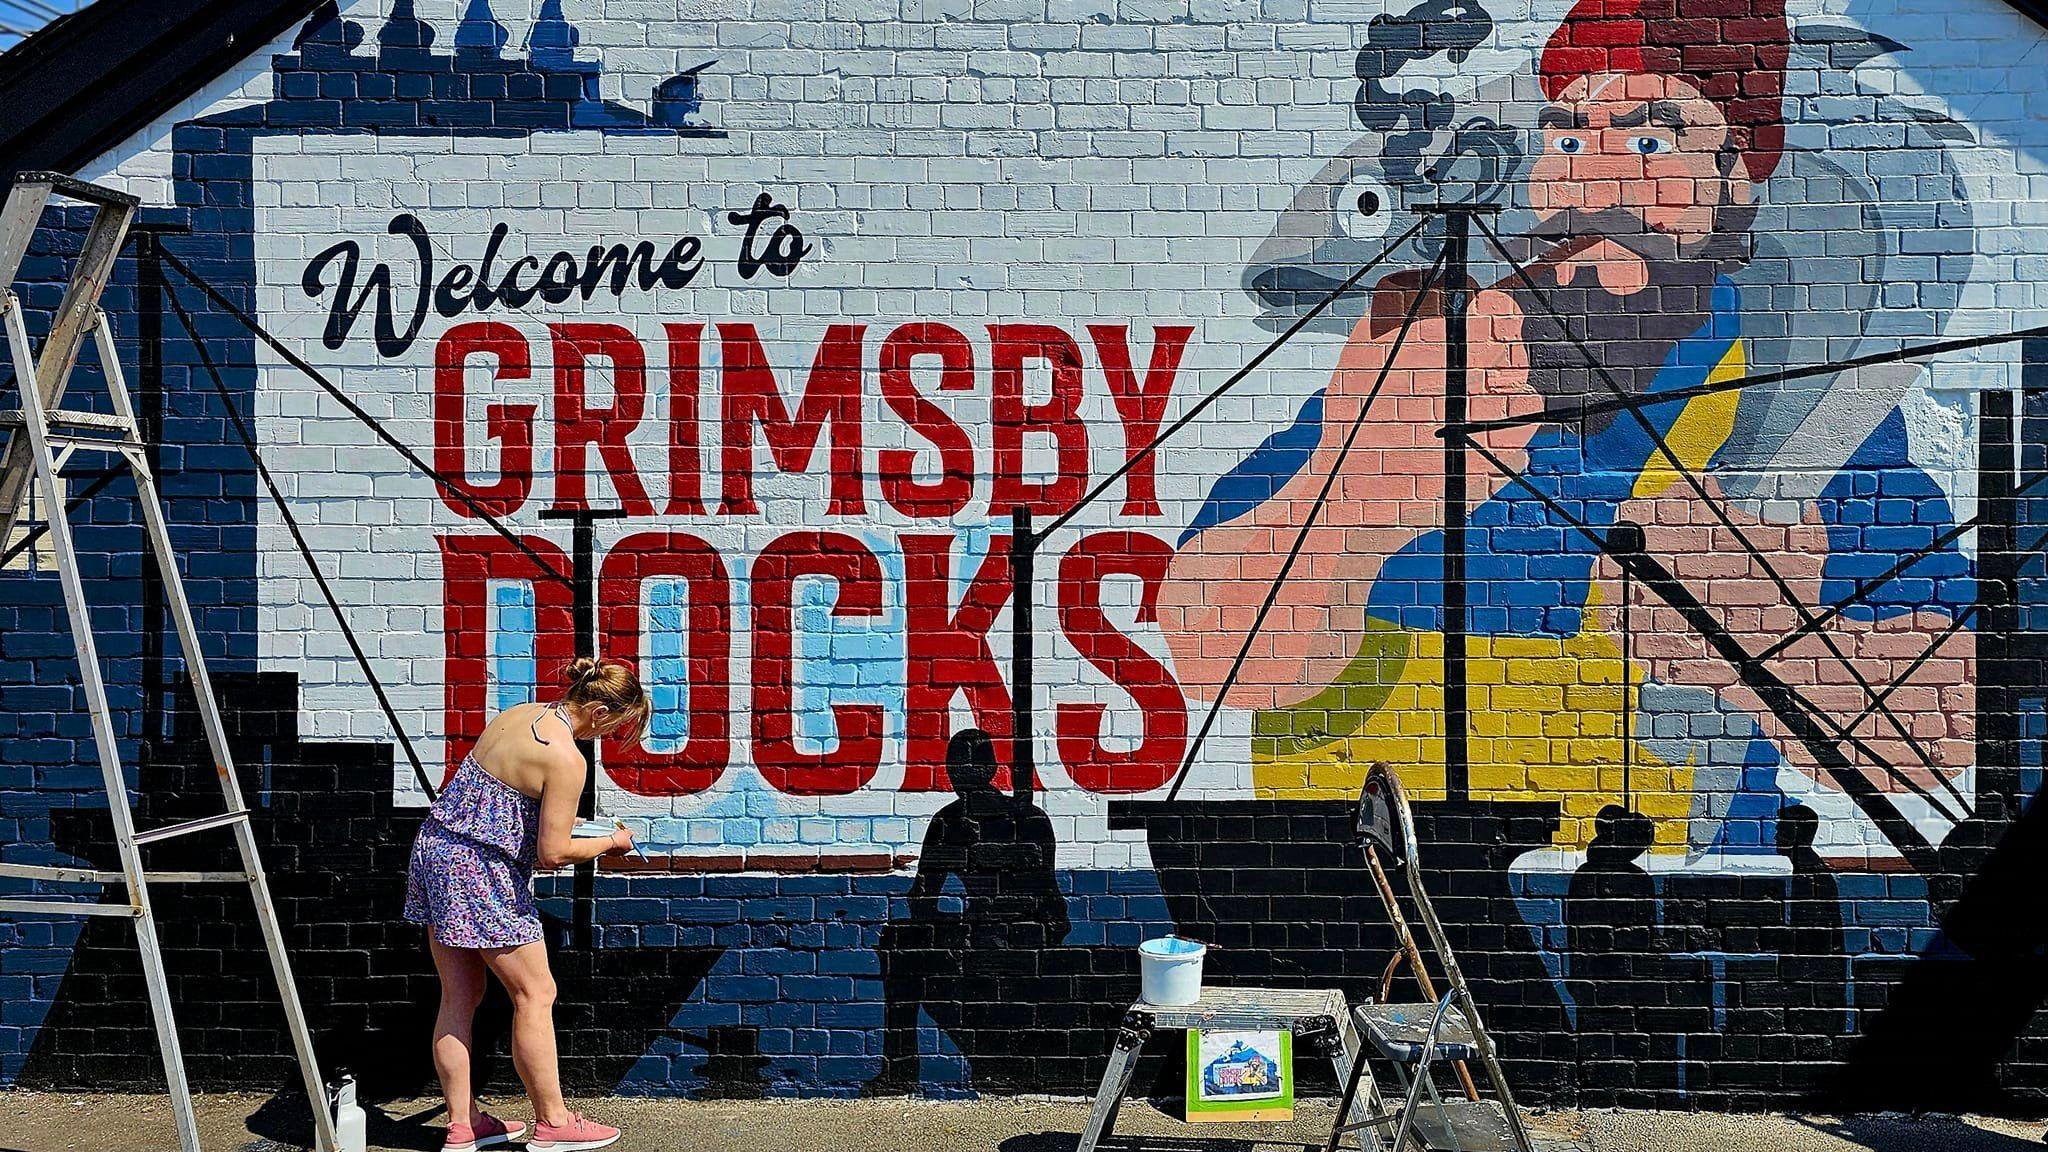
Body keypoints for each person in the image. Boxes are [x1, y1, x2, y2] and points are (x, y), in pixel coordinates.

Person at [403, 657, 651, 1152]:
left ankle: (461, 1124)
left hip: (436, 853)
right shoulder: (566, 759)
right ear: (599, 711)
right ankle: (554, 1121)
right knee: (535, 994)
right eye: (615, 728)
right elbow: (553, 852)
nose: (607, 739)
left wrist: (577, 830)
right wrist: (612, 843)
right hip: (482, 875)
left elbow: (496, 807)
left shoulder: (518, 714)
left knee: (458, 997)